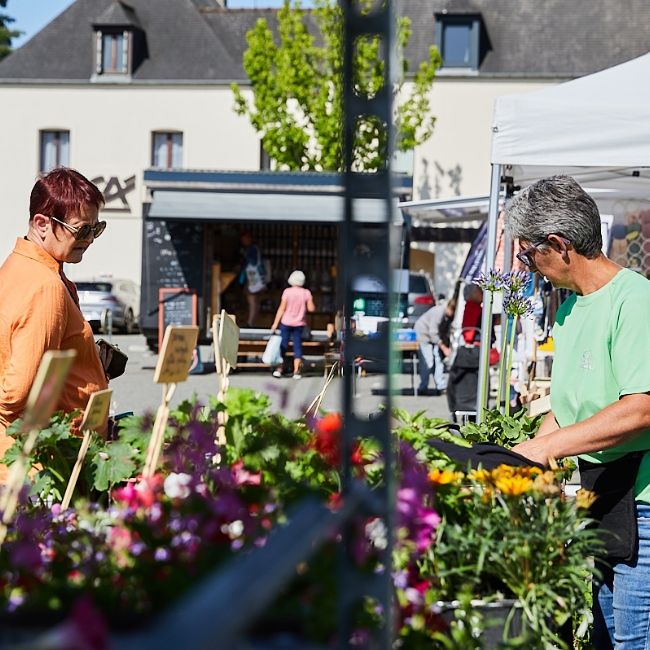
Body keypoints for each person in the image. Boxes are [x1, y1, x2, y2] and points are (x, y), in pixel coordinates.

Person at [505, 175, 650, 649]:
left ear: (558, 244)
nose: (527, 267)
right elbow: (567, 411)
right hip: (600, 496)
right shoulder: (571, 309)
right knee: (604, 639)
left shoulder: (636, 301)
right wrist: (521, 459)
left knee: (633, 641)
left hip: (644, 506)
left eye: (528, 255)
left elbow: (641, 408)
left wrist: (547, 447)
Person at [0, 168, 111, 479]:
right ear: (42, 224)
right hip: (43, 468)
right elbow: (16, 394)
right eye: (80, 229)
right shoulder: (44, 285)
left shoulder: (17, 267)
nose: (89, 239)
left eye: (96, 228)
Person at [270, 270, 315, 380]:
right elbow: (311, 309)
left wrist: (275, 323)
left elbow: (281, 308)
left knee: (283, 345)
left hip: (286, 322)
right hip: (299, 323)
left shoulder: (287, 292)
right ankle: (296, 371)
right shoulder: (306, 293)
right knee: (297, 347)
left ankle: (280, 369)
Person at [414, 301, 450, 395]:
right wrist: (444, 348)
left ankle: (441, 386)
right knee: (428, 362)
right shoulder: (439, 313)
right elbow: (432, 332)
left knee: (438, 360)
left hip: (435, 337)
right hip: (424, 334)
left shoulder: (448, 315)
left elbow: (443, 331)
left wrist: (445, 344)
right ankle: (423, 387)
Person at [239, 231, 266, 327]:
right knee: (254, 302)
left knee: (252, 301)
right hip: (254, 277)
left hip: (254, 278)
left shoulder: (253, 249)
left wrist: (245, 255)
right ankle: (253, 322)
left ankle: (250, 322)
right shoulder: (252, 248)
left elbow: (253, 262)